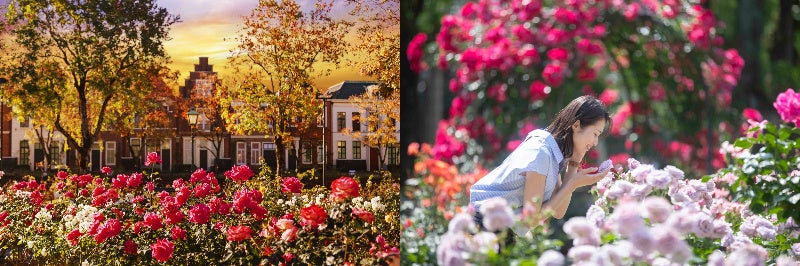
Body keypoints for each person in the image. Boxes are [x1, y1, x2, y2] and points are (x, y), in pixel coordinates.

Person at [470, 95, 611, 232]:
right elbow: (530, 220)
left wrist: (575, 162)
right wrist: (572, 184)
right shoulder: (541, 153)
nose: (595, 142)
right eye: (595, 134)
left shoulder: (553, 152)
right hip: (482, 224)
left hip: (497, 226)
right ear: (576, 125)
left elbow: (558, 212)